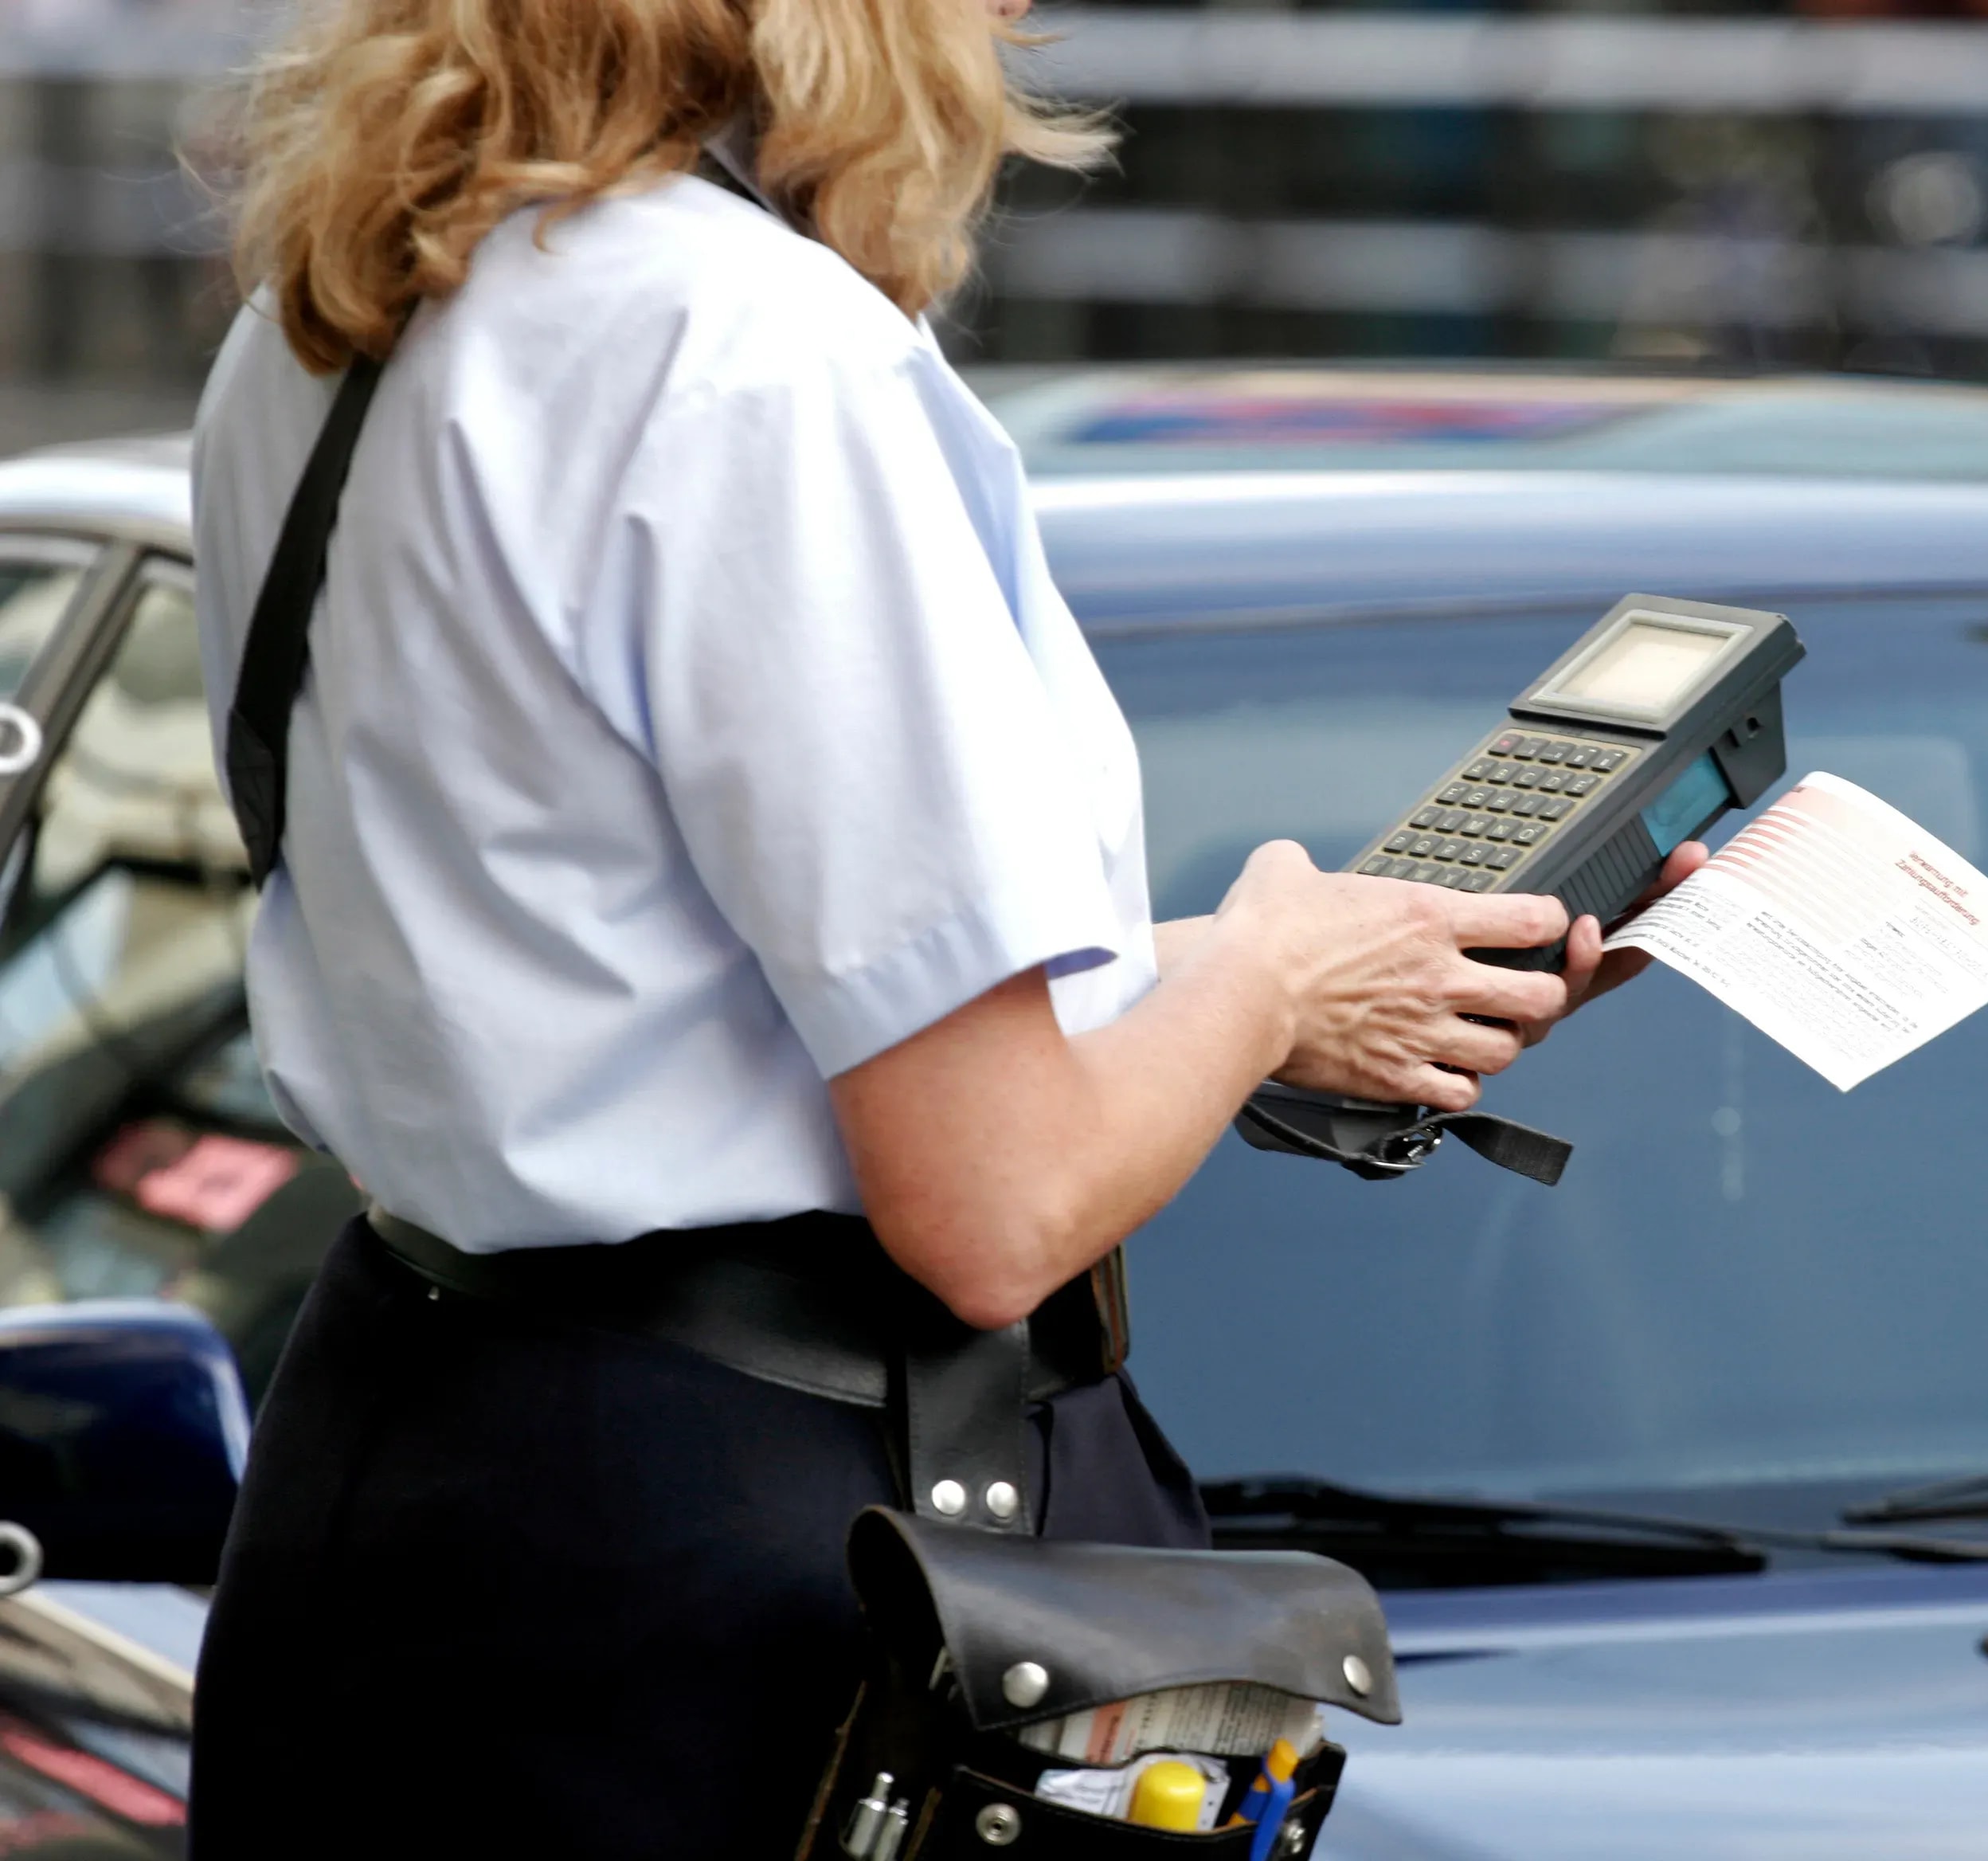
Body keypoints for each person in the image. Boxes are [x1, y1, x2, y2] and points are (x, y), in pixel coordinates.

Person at [186, 0, 1704, 1853]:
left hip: (416, 1461)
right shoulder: (753, 351)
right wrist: (1256, 975)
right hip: (770, 1562)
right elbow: (991, 1210)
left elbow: (616, 966)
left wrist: (1258, 986)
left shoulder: (341, 311)